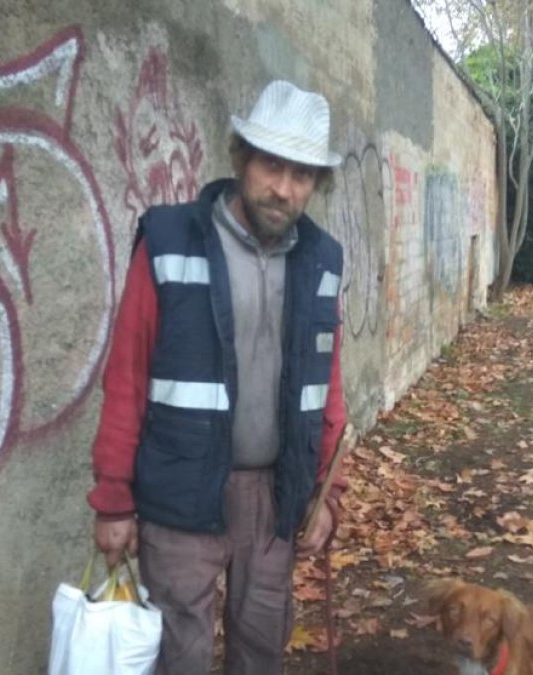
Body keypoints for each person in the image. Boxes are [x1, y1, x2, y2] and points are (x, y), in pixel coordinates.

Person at [87, 79, 348, 675]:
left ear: (315, 184)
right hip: (181, 491)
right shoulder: (168, 239)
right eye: (272, 166)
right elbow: (126, 379)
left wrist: (327, 495)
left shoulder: (323, 259)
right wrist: (112, 502)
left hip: (273, 496)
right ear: (241, 158)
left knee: (262, 648)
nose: (283, 189)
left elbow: (325, 386)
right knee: (181, 654)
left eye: (302, 175)